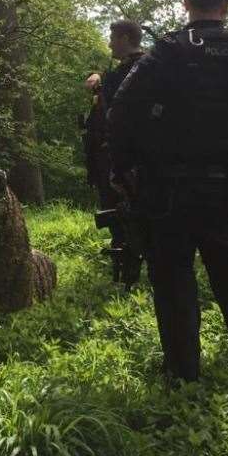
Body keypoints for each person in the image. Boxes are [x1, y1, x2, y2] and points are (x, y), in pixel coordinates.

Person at [107, 0, 228, 382]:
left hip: (168, 189)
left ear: (187, 3)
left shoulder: (169, 50)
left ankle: (182, 373)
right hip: (224, 186)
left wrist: (124, 169)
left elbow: (120, 111)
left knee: (173, 279)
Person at [83, 20, 144, 269]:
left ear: (126, 39)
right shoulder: (123, 70)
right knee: (111, 201)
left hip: (126, 153)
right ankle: (120, 246)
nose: (109, 44)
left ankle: (132, 252)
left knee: (126, 201)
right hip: (108, 150)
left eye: (113, 38)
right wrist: (97, 75)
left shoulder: (142, 69)